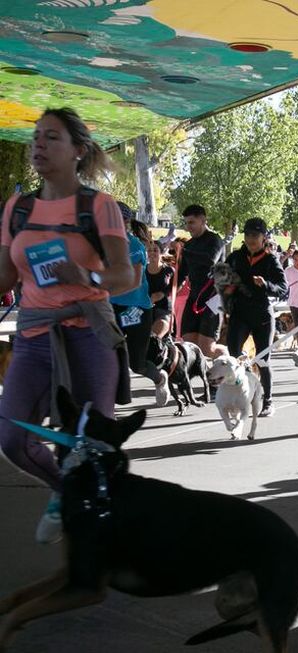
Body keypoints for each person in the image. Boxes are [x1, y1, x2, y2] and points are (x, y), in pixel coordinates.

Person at [0, 107, 133, 544]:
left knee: (89, 445)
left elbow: (125, 276)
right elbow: (5, 278)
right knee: (13, 438)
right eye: (36, 136)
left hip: (89, 334)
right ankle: (68, 494)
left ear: (78, 151)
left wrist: (87, 277)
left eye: (51, 137)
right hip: (35, 337)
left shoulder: (98, 206)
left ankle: (102, 537)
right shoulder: (16, 209)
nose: (38, 143)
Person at [222, 218, 288, 417]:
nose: (251, 239)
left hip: (262, 315)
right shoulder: (234, 257)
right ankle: (240, 391)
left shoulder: (271, 260)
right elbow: (222, 281)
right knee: (234, 353)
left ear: (264, 237)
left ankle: (267, 401)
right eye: (248, 235)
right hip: (239, 313)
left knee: (263, 359)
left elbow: (283, 289)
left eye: (255, 235)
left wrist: (266, 284)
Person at [109, 211, 167, 406]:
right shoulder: (101, 244)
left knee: (137, 364)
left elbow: (133, 283)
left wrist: (103, 288)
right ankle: (108, 401)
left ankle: (159, 379)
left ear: (125, 222)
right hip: (111, 307)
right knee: (105, 353)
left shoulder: (133, 245)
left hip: (137, 309)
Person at [177, 204, 225, 358]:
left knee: (207, 349)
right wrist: (165, 293)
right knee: (190, 345)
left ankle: (234, 360)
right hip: (194, 298)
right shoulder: (189, 245)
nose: (188, 227)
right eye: (186, 223)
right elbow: (181, 274)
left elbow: (210, 260)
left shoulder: (215, 240)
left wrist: (184, 251)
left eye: (191, 222)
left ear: (203, 221)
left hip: (214, 298)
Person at [146, 239, 174, 339]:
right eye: (149, 250)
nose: (152, 253)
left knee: (154, 336)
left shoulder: (169, 270)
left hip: (163, 310)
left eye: (155, 250)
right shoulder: (142, 270)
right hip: (145, 309)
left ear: (161, 252)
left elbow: (176, 286)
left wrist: (163, 293)